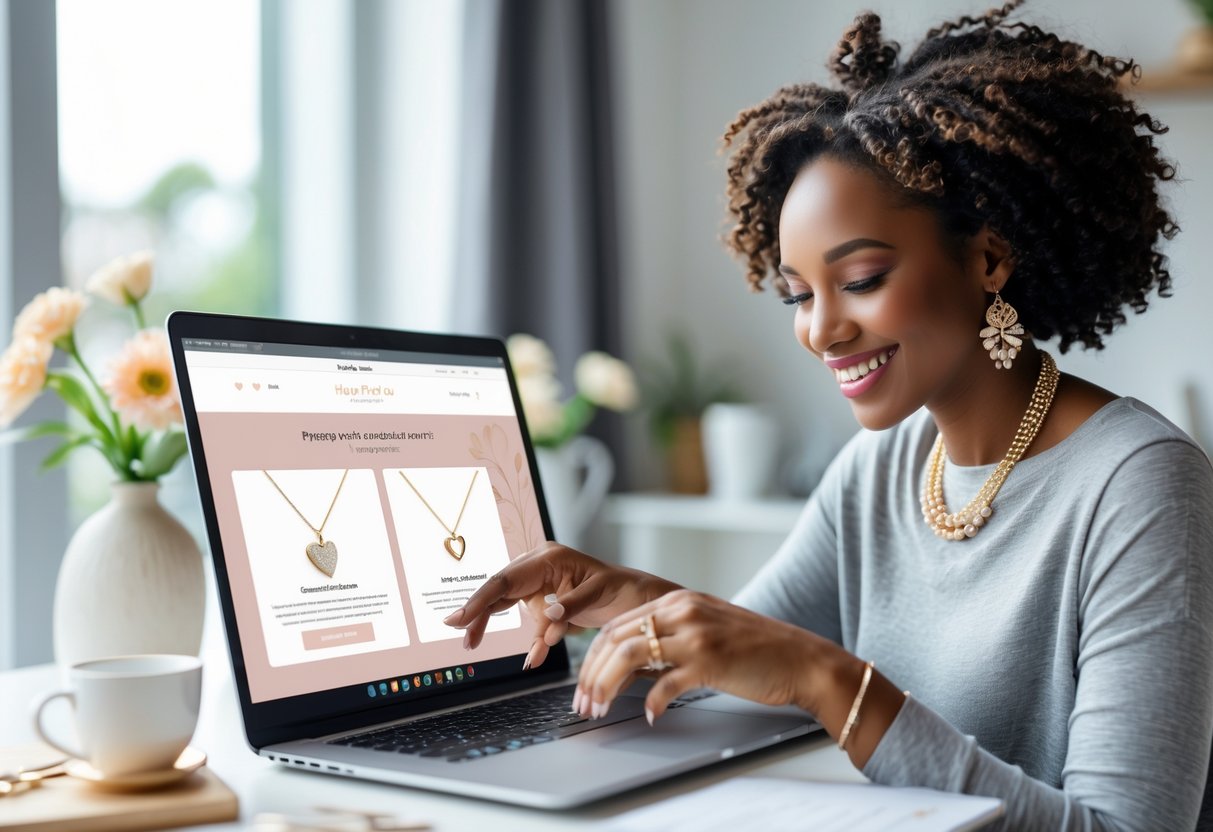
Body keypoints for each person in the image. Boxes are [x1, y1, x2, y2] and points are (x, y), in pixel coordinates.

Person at [443, 2, 1213, 828]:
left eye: (861, 279)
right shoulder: (883, 471)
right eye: (798, 294)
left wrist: (833, 682)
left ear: (988, 258)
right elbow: (749, 658)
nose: (819, 330)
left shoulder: (1142, 486)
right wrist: (637, 598)